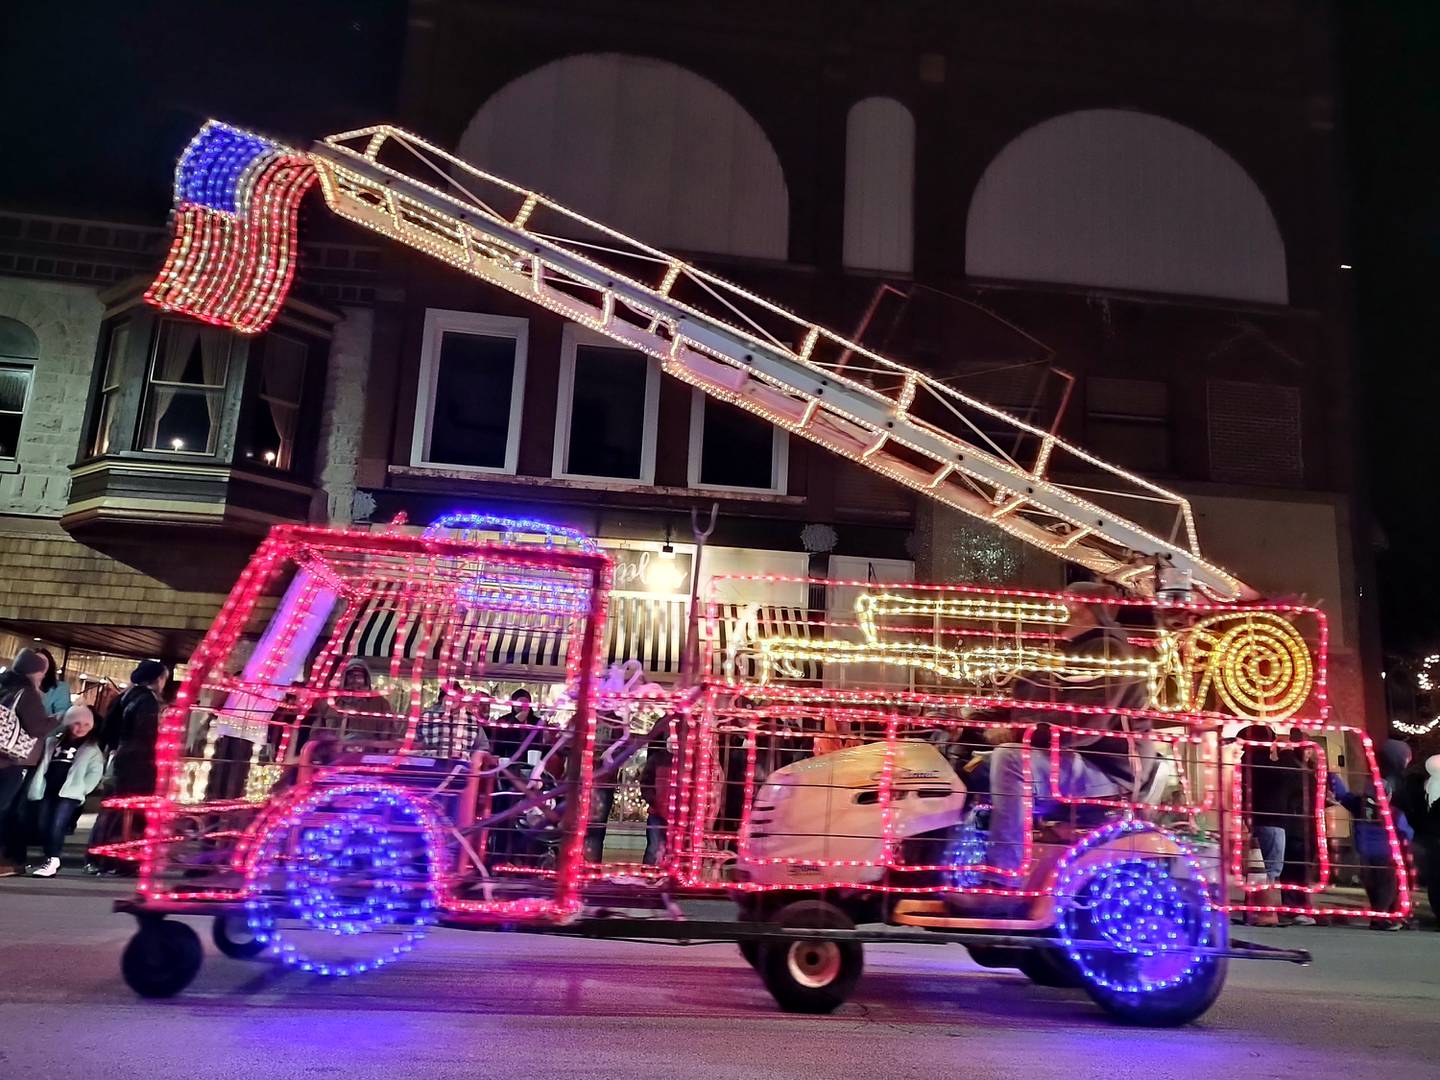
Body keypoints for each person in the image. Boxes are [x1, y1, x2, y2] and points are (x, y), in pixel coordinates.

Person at [975, 582, 1158, 910]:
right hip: (1072, 757)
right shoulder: (1062, 650)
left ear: (1089, 608)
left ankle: (1003, 877)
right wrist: (971, 717)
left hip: (1108, 770)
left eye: (1066, 604)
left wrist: (1015, 733)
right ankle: (959, 862)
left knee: (1011, 760)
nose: (1057, 611)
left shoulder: (1107, 651)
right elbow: (1030, 705)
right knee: (974, 765)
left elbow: (1083, 726)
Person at [88, 660, 168, 875]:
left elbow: (107, 731)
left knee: (113, 809)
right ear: (157, 679)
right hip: (140, 763)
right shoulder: (148, 702)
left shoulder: (124, 698)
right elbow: (148, 733)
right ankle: (126, 858)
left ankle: (101, 856)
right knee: (134, 811)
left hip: (121, 758)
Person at [1330, 739, 1415, 931]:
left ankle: (1380, 915)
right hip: (1387, 854)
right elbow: (1406, 832)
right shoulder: (1394, 812)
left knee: (1373, 886)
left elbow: (1343, 795)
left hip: (1365, 853)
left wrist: (1332, 775)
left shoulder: (1360, 806)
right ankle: (1384, 917)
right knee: (1388, 886)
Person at [22, 706, 103, 877]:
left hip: (69, 794)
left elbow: (95, 773)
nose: (81, 728)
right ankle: (50, 857)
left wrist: (83, 788)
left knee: (56, 826)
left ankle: (52, 858)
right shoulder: (53, 742)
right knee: (43, 825)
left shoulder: (91, 749)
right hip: (48, 789)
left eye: (86, 724)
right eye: (77, 723)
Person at [0, 649, 60, 876]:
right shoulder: (27, 693)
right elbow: (36, 727)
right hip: (12, 760)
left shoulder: (6, 686)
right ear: (37, 671)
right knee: (5, 808)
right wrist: (58, 718)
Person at [1238, 724, 1304, 927]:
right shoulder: (1262, 763)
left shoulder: (1248, 762)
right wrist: (1286, 752)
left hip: (1259, 820)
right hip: (1273, 821)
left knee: (1257, 869)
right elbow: (1290, 774)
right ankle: (1265, 911)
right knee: (1270, 869)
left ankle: (1254, 910)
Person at [319, 660, 397, 743]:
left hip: (366, 753)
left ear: (366, 679)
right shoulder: (331, 701)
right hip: (334, 753)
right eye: (351, 676)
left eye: (359, 676)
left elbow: (388, 734)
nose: (355, 680)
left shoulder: (380, 703)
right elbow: (317, 731)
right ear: (345, 678)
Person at [640, 731, 674, 866]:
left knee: (669, 848)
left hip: (676, 814)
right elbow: (646, 781)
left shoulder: (687, 761)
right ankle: (649, 874)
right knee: (654, 847)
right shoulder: (657, 759)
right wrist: (653, 799)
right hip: (657, 811)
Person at [36, 647, 72, 727]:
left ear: (49, 666)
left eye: (43, 662)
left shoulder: (60, 688)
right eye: (35, 661)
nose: (38, 664)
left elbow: (61, 717)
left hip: (43, 735)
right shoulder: (20, 685)